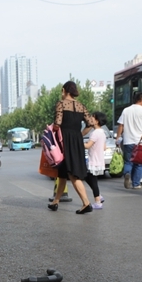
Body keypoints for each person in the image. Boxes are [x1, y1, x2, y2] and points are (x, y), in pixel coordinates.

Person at [48, 81, 93, 214]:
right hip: (77, 140)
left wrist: (53, 129)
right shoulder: (81, 106)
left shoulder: (61, 104)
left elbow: (58, 123)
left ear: (64, 90)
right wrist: (79, 135)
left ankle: (86, 203)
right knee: (63, 172)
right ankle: (56, 201)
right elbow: (90, 123)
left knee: (72, 173)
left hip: (65, 140)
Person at [115, 92, 142, 190]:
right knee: (139, 163)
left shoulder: (126, 110)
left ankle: (127, 173)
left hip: (128, 141)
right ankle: (136, 183)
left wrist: (118, 137)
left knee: (128, 162)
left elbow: (121, 125)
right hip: (141, 142)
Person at [83, 111, 108, 209]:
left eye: (92, 118)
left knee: (93, 180)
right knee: (88, 177)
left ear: (97, 121)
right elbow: (104, 147)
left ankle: (98, 201)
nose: (91, 119)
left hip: (94, 160)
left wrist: (77, 142)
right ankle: (99, 196)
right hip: (99, 160)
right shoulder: (102, 132)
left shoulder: (94, 133)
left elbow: (88, 146)